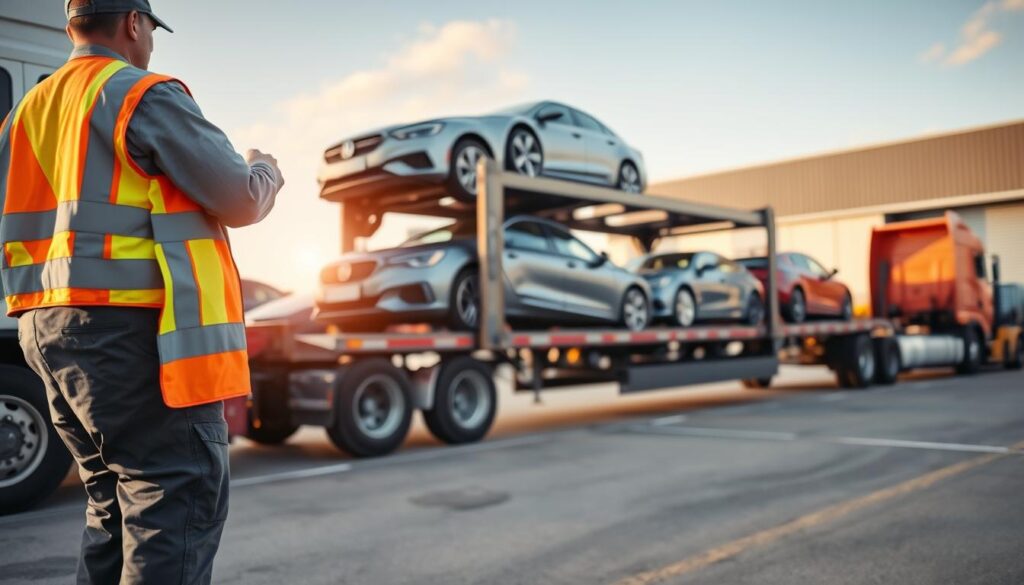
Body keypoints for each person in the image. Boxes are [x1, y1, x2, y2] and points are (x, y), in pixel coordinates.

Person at [0, 1, 284, 583]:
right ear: (133, 22)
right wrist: (264, 168)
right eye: (152, 28)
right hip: (131, 336)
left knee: (110, 505)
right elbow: (239, 198)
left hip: (43, 331)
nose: (151, 41)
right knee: (173, 500)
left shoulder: (26, 112)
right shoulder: (138, 94)